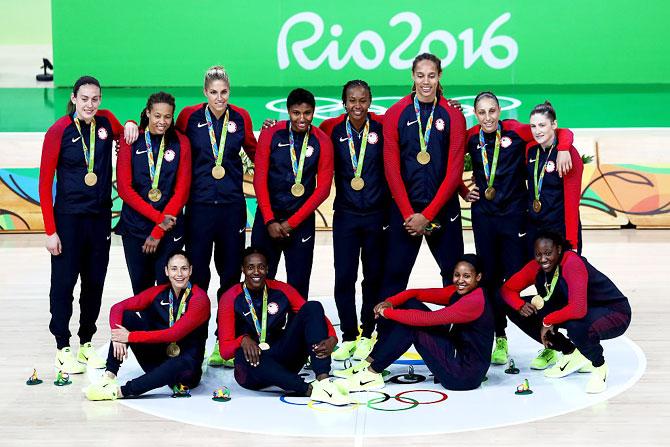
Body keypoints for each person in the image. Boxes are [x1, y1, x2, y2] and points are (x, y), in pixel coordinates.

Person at [459, 92, 575, 366]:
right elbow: (447, 159)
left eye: (492, 111)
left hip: (514, 220)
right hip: (484, 218)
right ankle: (500, 338)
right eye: (482, 112)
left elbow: (562, 130)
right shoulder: (471, 136)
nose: (487, 117)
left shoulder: (515, 131)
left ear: (500, 111)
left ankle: (546, 338)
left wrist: (563, 148)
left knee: (524, 281)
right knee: (489, 281)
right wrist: (463, 190)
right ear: (475, 114)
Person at [39, 75, 126, 373]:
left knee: (94, 283)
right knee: (63, 284)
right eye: (84, 98)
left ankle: (86, 341)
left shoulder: (106, 123)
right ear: (74, 98)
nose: (90, 104)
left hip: (100, 218)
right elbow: (43, 182)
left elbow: (124, 132)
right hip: (68, 219)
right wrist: (50, 230)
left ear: (100, 100)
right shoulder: (58, 131)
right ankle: (62, 346)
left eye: (95, 98)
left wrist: (128, 125)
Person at [335, 255, 493, 392]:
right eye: (457, 275)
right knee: (409, 304)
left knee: (411, 327)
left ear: (478, 277)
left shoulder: (475, 301)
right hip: (457, 354)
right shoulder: (458, 291)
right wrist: (389, 302)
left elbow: (428, 320)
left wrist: (387, 313)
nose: (460, 280)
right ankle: (369, 362)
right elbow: (415, 293)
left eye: (467, 276)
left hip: (463, 375)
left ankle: (371, 373)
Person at [500, 231, 631, 393]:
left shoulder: (572, 263)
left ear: (559, 249)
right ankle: (571, 352)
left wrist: (548, 320)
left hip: (613, 311)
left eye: (548, 253)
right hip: (579, 309)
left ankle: (599, 367)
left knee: (577, 327)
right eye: (538, 254)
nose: (543, 259)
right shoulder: (536, 266)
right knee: (513, 308)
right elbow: (507, 290)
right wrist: (519, 304)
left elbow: (578, 309)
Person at [382, 53, 466, 304]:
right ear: (412, 76)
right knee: (394, 275)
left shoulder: (453, 115)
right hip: (405, 211)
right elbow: (391, 168)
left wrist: (427, 215)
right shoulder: (396, 113)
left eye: (431, 75)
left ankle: (457, 334)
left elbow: (454, 172)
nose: (426, 82)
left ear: (439, 76)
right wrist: (410, 214)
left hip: (442, 208)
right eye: (420, 76)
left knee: (453, 274)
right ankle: (388, 335)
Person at [217, 247, 350, 405]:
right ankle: (309, 390)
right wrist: (243, 340)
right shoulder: (229, 298)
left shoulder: (281, 289)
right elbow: (225, 351)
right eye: (250, 267)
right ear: (243, 269)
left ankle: (323, 380)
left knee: (313, 306)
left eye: (261, 266)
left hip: (281, 355)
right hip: (253, 369)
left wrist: (332, 337)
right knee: (243, 355)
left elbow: (313, 314)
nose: (256, 272)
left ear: (267, 269)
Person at [319, 80, 388, 362]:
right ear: (343, 103)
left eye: (362, 100)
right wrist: (272, 126)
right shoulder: (332, 130)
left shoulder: (383, 129)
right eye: (351, 100)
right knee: (344, 277)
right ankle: (348, 335)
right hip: (346, 215)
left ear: (370, 102)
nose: (357, 106)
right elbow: (305, 133)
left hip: (377, 215)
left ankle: (369, 332)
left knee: (372, 278)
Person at [84, 250, 210, 400]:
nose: (179, 274)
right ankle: (109, 377)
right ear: (166, 271)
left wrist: (130, 336)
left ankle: (119, 392)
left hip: (186, 371)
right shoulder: (159, 292)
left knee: (178, 364)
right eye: (174, 268)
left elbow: (174, 334)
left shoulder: (199, 299)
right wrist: (118, 337)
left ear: (190, 270)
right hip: (159, 358)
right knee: (126, 317)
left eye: (184, 268)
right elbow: (117, 308)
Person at [251, 88, 334, 299]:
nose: (302, 118)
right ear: (288, 111)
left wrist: (291, 223)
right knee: (260, 279)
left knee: (299, 282)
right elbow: (259, 179)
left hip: (301, 222)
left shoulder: (322, 141)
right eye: (296, 113)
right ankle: (264, 328)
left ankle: (296, 329)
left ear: (314, 113)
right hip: (268, 219)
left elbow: (323, 189)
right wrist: (269, 220)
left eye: (307, 113)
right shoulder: (271, 134)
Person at [116, 92, 191, 294]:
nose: (162, 121)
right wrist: (159, 219)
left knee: (169, 288)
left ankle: (168, 327)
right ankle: (147, 327)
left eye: (167, 117)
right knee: (141, 290)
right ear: (148, 113)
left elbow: (182, 192)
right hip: (135, 228)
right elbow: (124, 189)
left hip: (169, 231)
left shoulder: (181, 142)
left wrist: (159, 230)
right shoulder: (130, 140)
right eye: (157, 115)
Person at [526, 101, 583, 253]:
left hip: (559, 230)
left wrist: (572, 243)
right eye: (533, 126)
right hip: (535, 228)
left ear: (554, 124)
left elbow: (572, 201)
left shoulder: (570, 155)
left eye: (542, 125)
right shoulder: (530, 150)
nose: (537, 131)